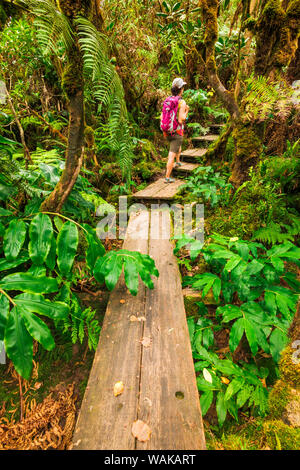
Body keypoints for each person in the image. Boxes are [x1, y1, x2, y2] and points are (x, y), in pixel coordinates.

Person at [161, 78, 189, 183]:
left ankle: (178, 162)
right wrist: (186, 111)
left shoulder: (168, 100)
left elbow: (162, 116)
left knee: (177, 146)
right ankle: (167, 177)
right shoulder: (181, 102)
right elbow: (181, 120)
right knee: (171, 153)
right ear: (181, 89)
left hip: (167, 131)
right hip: (176, 132)